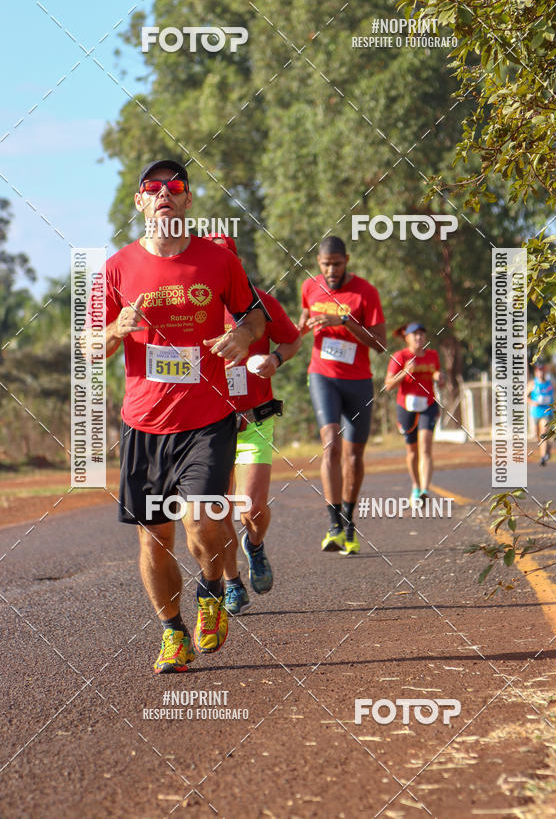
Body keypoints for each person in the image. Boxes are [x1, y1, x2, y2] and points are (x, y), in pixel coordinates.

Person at [84, 159, 266, 673]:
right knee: (154, 536)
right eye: (152, 187)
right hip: (144, 425)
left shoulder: (218, 261)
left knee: (205, 524)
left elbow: (255, 313)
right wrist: (118, 328)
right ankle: (172, 633)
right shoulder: (117, 268)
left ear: (188, 201)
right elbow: (90, 346)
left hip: (207, 419)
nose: (164, 192)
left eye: (175, 186)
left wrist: (244, 334)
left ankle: (211, 593)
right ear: (140, 202)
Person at [205, 234, 302, 614]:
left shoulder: (260, 302)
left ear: (237, 267)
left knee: (253, 509)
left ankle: (255, 545)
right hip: (210, 426)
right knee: (218, 510)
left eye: (228, 263)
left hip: (255, 422)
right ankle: (232, 582)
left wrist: (275, 360)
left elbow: (292, 341)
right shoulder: (194, 308)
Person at [298, 236, 386, 554]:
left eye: (337, 263)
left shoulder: (366, 292)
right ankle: (333, 525)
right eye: (325, 264)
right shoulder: (310, 288)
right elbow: (302, 324)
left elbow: (380, 343)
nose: (331, 270)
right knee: (331, 443)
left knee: (353, 456)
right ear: (318, 264)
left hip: (359, 380)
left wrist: (345, 321)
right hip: (322, 375)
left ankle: (349, 523)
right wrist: (300, 329)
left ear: (346, 260)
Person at [384, 322, 445, 506]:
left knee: (425, 447)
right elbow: (388, 385)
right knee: (412, 452)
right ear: (407, 338)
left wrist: (439, 378)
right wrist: (404, 372)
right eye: (414, 334)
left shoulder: (432, 355)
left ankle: (425, 490)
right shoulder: (400, 356)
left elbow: (438, 376)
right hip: (406, 407)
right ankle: (416, 486)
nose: (419, 337)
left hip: (428, 405)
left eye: (421, 334)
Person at [528, 359, 555, 466]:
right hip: (535, 413)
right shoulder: (532, 383)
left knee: (543, 433)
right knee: (537, 436)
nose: (540, 372)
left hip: (547, 412)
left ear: (545, 371)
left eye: (542, 370)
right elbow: (524, 396)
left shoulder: (550, 383)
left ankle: (543, 457)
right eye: (538, 370)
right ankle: (548, 449)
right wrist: (532, 402)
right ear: (536, 372)